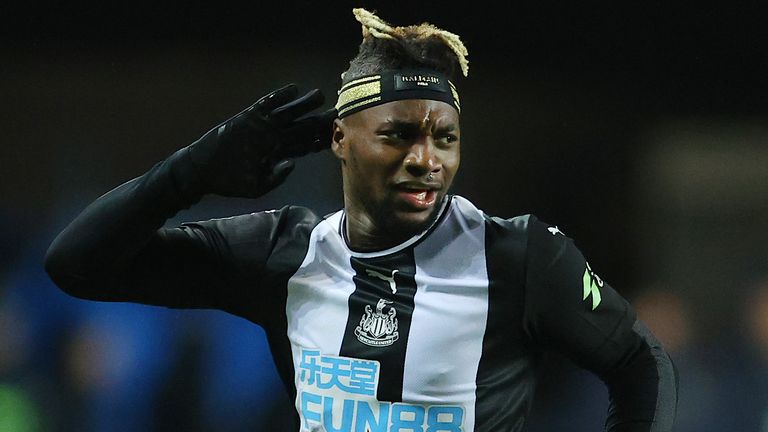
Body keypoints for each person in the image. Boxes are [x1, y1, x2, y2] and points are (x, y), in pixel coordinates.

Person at [44, 8, 678, 432]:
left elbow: (641, 364)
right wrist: (188, 173)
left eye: (446, 138)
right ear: (341, 139)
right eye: (398, 135)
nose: (426, 159)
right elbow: (76, 265)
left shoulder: (519, 257)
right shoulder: (283, 254)